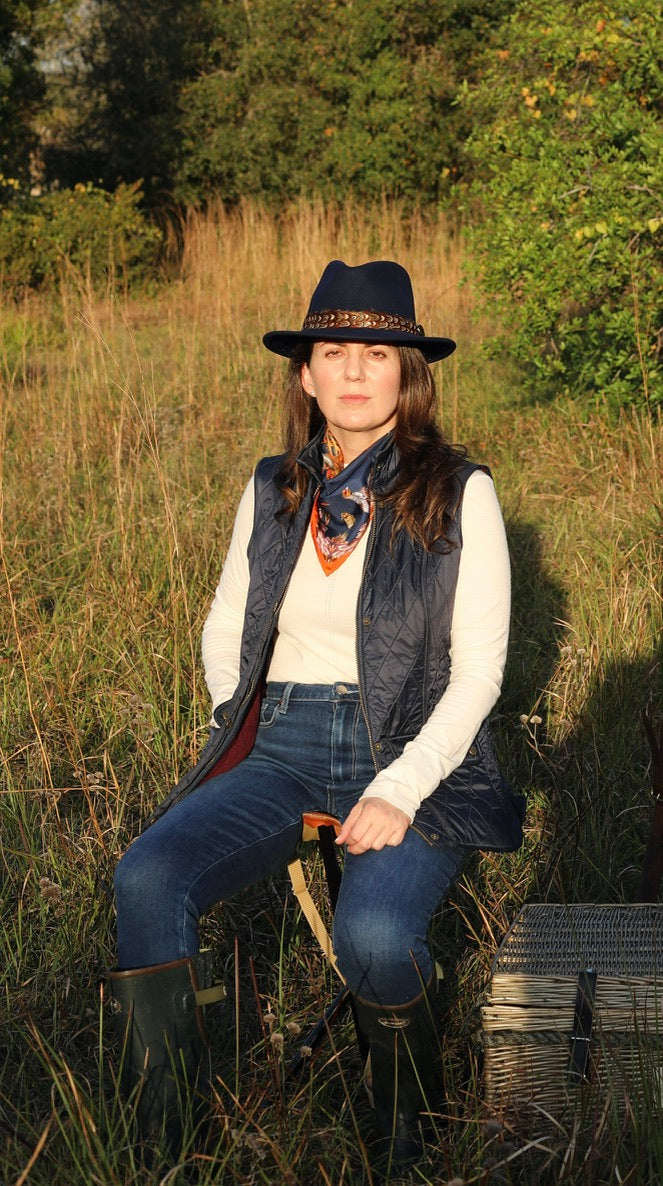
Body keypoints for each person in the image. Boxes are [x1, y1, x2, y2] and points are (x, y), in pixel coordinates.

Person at [108, 260, 525, 1171]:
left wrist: (401, 787)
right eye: (332, 350)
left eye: (377, 352)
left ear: (408, 374)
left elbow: (480, 672)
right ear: (304, 373)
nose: (352, 370)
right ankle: (167, 1131)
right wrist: (236, 716)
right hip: (283, 746)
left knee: (373, 936)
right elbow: (227, 621)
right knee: (147, 876)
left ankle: (407, 1121)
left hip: (413, 750)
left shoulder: (459, 491)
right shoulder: (272, 488)